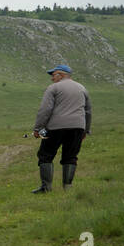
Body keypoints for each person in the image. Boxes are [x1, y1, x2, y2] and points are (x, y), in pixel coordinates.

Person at [31, 64, 91, 193]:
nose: (52, 78)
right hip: (78, 127)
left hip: (56, 127)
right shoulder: (82, 88)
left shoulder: (53, 88)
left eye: (53, 75)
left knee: (45, 155)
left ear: (61, 75)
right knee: (70, 156)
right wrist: (86, 130)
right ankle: (67, 188)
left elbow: (45, 110)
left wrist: (37, 128)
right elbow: (88, 111)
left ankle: (46, 188)